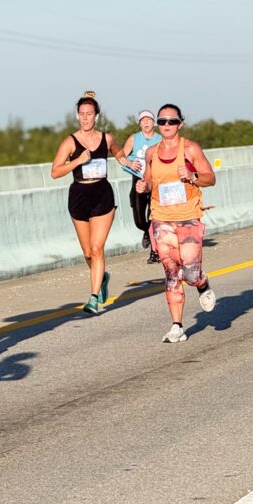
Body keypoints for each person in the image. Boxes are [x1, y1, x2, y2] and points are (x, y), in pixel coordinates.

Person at [136, 104, 217, 343]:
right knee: (171, 271)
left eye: (171, 121)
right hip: (161, 218)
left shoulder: (190, 149)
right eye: (162, 121)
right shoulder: (152, 152)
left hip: (189, 218)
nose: (166, 125)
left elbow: (210, 178)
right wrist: (144, 186)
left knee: (190, 273)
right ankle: (177, 326)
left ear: (180, 123)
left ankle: (202, 283)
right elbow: (150, 181)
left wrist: (192, 176)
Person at [51, 92, 132, 314]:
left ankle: (93, 297)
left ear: (96, 116)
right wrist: (77, 160)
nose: (86, 118)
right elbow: (55, 172)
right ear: (77, 116)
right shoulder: (70, 141)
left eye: (90, 114)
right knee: (88, 253)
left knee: (97, 249)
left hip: (102, 195)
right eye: (82, 114)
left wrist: (127, 162)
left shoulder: (106, 138)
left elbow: (119, 152)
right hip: (79, 195)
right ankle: (102, 276)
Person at [121, 109, 162, 264]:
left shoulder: (160, 139)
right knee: (139, 220)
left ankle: (154, 252)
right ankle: (146, 231)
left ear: (154, 123)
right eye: (142, 120)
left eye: (149, 119)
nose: (145, 122)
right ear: (139, 124)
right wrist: (131, 164)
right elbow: (121, 157)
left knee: (153, 217)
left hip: (155, 183)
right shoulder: (134, 139)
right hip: (138, 181)